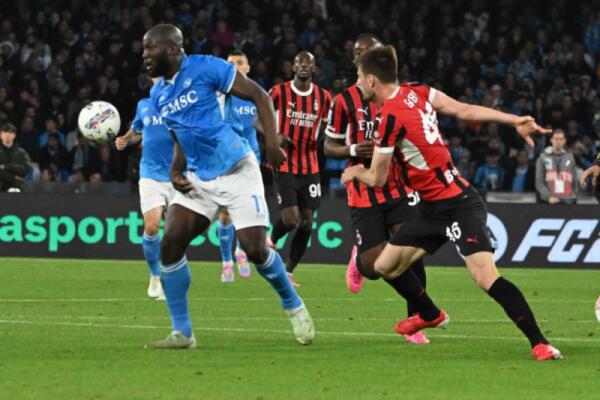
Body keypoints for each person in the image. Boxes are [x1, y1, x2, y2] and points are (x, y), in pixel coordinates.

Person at [341, 45, 562, 360]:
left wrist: (355, 172)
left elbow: (376, 177)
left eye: (360, 77)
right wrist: (513, 120)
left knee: (485, 277)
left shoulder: (387, 117)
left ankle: (540, 343)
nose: (358, 83)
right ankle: (429, 314)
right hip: (429, 207)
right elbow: (465, 110)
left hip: (459, 203)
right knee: (385, 266)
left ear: (372, 80)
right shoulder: (418, 91)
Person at [141, 24, 314, 349]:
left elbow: (260, 96)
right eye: (144, 49)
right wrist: (176, 168)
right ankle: (182, 332)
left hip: (237, 169)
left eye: (150, 48)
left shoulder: (207, 67)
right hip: (198, 177)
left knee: (255, 249)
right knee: (171, 243)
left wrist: (272, 143)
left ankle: (292, 304)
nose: (145, 55)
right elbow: (179, 135)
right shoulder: (158, 94)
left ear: (172, 49)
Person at [324, 34, 429, 344]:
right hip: (363, 190)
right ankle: (359, 260)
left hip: (398, 186)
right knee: (374, 267)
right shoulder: (343, 101)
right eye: (360, 52)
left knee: (412, 253)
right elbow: (328, 146)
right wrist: (354, 149)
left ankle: (417, 321)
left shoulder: (398, 94)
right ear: (355, 59)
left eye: (371, 51)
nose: (365, 55)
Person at [268, 51, 332, 286]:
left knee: (307, 222)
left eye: (308, 63)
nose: (303, 66)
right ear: (293, 67)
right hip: (285, 163)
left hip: (310, 166)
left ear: (314, 68)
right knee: (291, 219)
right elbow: (257, 118)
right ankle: (270, 239)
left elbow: (328, 127)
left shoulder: (324, 97)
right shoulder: (278, 92)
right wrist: (274, 138)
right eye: (299, 62)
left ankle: (289, 270)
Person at [116, 77, 174, 300]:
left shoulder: (181, 102)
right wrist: (125, 139)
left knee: (175, 233)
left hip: (178, 174)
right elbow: (136, 131)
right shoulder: (144, 105)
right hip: (151, 175)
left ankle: (169, 277)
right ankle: (155, 275)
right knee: (152, 227)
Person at [215, 50, 259, 283]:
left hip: (251, 159)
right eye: (230, 63)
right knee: (225, 213)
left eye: (240, 63)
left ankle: (241, 251)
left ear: (248, 68)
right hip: (225, 159)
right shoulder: (219, 94)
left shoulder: (255, 94)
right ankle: (226, 261)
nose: (235, 66)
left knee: (246, 210)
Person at [535, 129, 577, 204]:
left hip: (568, 201)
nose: (558, 141)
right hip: (548, 202)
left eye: (561, 139)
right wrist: (549, 197)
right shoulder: (542, 158)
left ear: (565, 141)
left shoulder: (570, 158)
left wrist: (573, 196)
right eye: (556, 139)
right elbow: (539, 182)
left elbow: (575, 181)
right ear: (551, 140)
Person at [0, 122, 31, 192]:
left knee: (21, 190)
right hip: (2, 183)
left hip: (18, 184)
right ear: (0, 135)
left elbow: (25, 169)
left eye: (10, 132)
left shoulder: (21, 152)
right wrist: (13, 177)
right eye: (5, 132)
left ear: (14, 135)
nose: (7, 135)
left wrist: (5, 166)